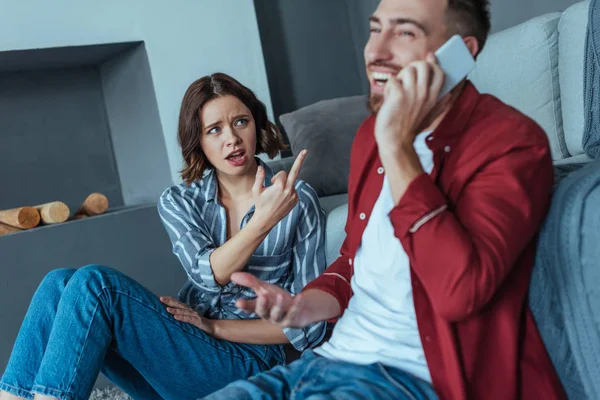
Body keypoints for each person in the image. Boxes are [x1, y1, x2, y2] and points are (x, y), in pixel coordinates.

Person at [204, 0, 568, 399]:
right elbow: (353, 259)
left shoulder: (509, 143)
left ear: (460, 53)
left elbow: (459, 292)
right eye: (376, 29)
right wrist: (304, 306)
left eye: (405, 32)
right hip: (325, 362)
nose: (375, 51)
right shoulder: (370, 136)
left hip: (411, 381)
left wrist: (397, 145)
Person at [0, 73, 327, 400]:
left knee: (96, 285)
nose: (232, 138)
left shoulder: (298, 200)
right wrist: (262, 224)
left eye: (241, 122)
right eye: (214, 130)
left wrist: (213, 327)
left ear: (256, 125)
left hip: (248, 363)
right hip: (183, 358)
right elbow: (208, 276)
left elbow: (309, 325)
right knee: (59, 282)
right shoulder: (180, 200)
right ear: (198, 141)